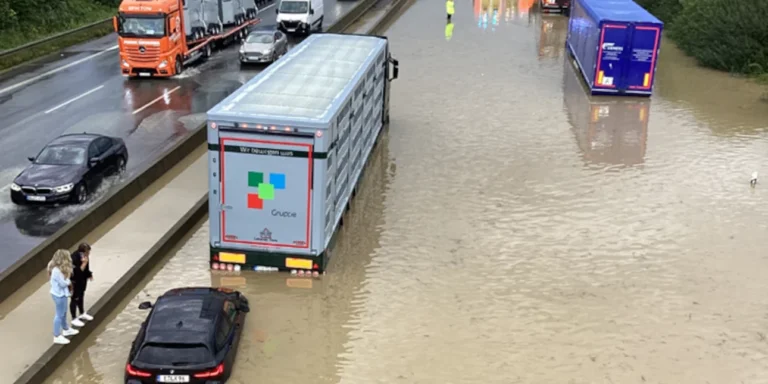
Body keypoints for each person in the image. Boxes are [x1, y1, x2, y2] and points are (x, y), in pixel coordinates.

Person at [49, 249, 79, 345]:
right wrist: (69, 281)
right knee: (59, 315)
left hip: (61, 294)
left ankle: (66, 329)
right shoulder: (57, 271)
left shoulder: (58, 269)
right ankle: (57, 336)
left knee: (63, 313)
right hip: (59, 295)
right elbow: (62, 284)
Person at [70, 243, 94, 327]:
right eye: (88, 252)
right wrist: (83, 263)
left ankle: (82, 313)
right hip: (75, 282)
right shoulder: (74, 258)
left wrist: (89, 274)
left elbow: (86, 268)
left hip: (82, 281)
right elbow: (75, 273)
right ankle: (73, 318)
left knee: (81, 296)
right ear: (83, 251)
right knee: (74, 299)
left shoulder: (85, 257)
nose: (89, 254)